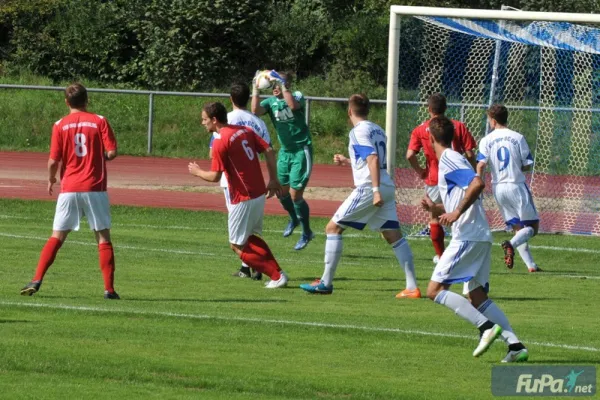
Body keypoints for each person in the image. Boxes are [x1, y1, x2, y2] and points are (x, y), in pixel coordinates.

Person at [422, 116, 528, 363]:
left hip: (468, 236)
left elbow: (477, 183)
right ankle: (515, 346)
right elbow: (459, 199)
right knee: (477, 296)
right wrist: (435, 209)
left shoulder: (449, 158)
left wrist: (456, 212)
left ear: (431, 138)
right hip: (478, 235)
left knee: (434, 290)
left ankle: (485, 328)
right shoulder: (451, 160)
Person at [299, 94, 420, 298]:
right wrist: (348, 161)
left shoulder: (358, 131)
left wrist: (374, 191)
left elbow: (372, 159)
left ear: (349, 111)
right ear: (368, 110)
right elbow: (372, 159)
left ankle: (325, 283)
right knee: (393, 235)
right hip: (387, 184)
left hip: (370, 188)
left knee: (333, 228)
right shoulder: (377, 129)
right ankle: (412, 287)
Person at [20, 83, 120, 299]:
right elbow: (112, 152)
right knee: (103, 236)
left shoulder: (59, 125)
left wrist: (51, 179)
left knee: (57, 236)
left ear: (66, 102)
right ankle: (109, 289)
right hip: (95, 187)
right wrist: (99, 158)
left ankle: (36, 279)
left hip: (69, 188)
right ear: (87, 100)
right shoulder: (99, 120)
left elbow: (53, 160)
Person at [189, 102, 288, 288]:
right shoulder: (244, 130)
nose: (203, 123)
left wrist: (197, 172)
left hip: (243, 196)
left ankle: (276, 276)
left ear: (214, 120)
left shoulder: (220, 141)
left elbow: (214, 176)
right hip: (258, 192)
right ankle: (278, 272)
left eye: (204, 119)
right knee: (250, 236)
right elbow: (268, 149)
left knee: (236, 244)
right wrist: (273, 179)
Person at [209, 82, 272, 280]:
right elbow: (268, 149)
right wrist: (273, 179)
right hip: (254, 179)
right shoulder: (258, 122)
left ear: (231, 99)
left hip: (234, 180)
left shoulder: (227, 120)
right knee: (251, 228)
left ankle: (252, 266)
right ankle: (254, 266)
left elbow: (214, 150)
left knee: (239, 229)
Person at [407, 93, 477, 263]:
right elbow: (469, 153)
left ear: (429, 109)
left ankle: (441, 256)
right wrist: (472, 171)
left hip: (434, 179)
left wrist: (420, 171)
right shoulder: (458, 126)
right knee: (458, 213)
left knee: (434, 216)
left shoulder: (420, 129)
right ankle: (460, 252)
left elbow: (410, 155)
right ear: (445, 108)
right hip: (457, 178)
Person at [251, 70, 314, 250]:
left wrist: (282, 84)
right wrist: (255, 88)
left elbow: (293, 106)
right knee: (281, 192)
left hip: (301, 151)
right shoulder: (270, 102)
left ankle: (307, 232)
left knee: (295, 195)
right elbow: (255, 110)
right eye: (273, 85)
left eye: (278, 84)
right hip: (285, 152)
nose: (275, 88)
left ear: (286, 85)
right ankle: (294, 219)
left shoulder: (296, 96)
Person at [476, 104, 541, 272]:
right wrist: (516, 166)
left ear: (494, 120)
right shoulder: (518, 137)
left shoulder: (486, 140)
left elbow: (481, 165)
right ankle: (509, 244)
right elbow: (527, 165)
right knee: (532, 227)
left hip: (498, 188)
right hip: (516, 185)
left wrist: (478, 183)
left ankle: (531, 265)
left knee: (518, 228)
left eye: (489, 119)